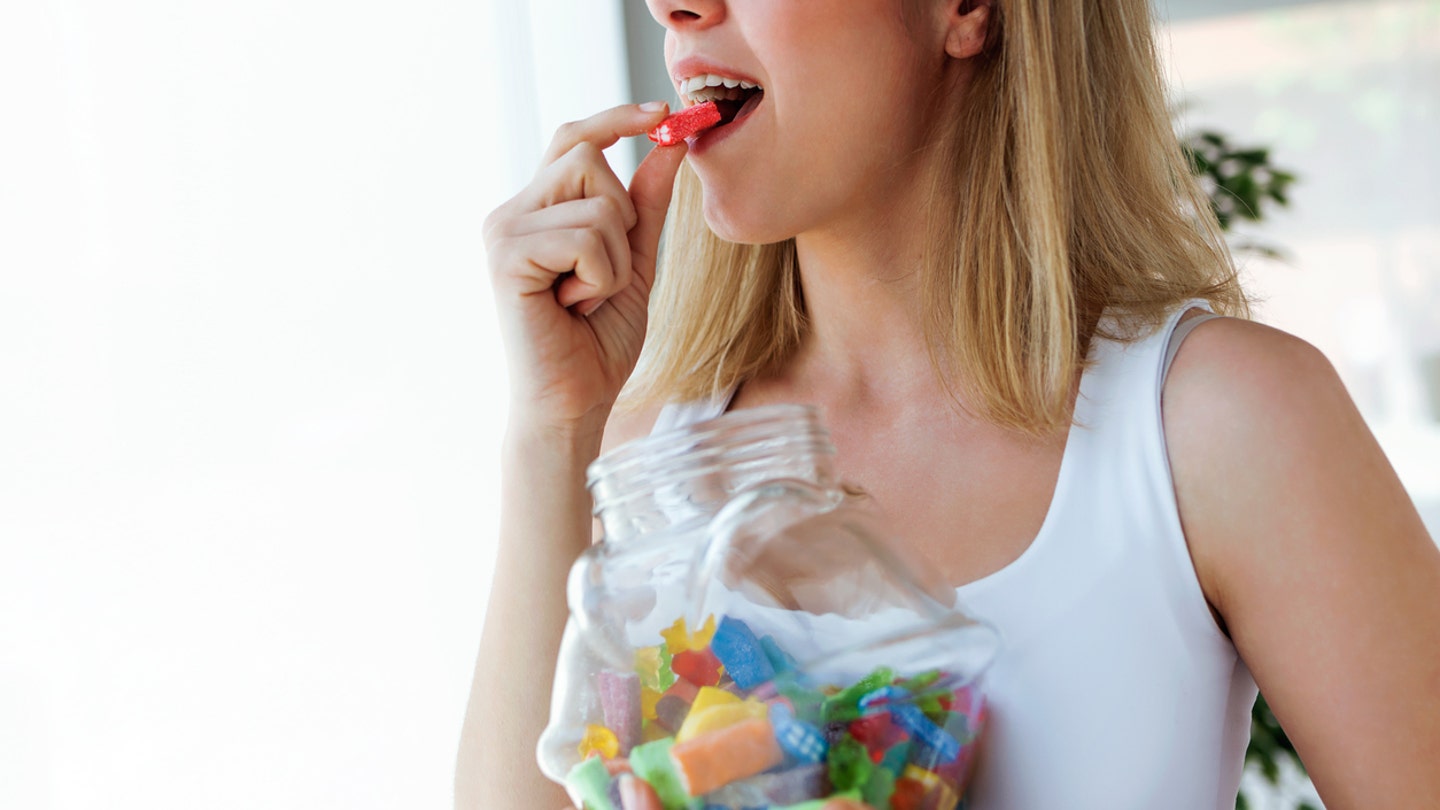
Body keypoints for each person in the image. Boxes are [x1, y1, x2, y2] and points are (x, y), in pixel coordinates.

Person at [457, 0, 1440, 807]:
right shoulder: (650, 457)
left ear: (965, 9)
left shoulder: (1222, 423)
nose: (675, 6)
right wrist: (555, 432)